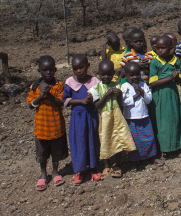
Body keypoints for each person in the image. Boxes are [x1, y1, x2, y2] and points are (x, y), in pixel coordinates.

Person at [27, 55, 68, 191]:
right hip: (41, 128)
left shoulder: (59, 85)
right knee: (42, 153)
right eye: (45, 70)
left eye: (51, 70)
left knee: (56, 152)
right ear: (39, 71)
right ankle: (43, 174)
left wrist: (49, 95)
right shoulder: (35, 86)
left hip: (56, 126)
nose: (48, 73)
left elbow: (60, 103)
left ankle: (55, 172)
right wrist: (40, 96)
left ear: (55, 69)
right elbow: (31, 104)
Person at [90, 60, 136, 178]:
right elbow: (96, 106)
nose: (106, 77)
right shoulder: (96, 89)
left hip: (117, 117)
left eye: (109, 74)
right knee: (105, 139)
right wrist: (106, 95)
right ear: (99, 74)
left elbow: (120, 102)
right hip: (104, 118)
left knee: (119, 138)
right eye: (103, 74)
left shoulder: (117, 85)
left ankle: (117, 164)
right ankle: (106, 164)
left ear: (113, 73)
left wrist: (119, 93)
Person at [63, 54, 101, 184]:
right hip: (77, 118)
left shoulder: (95, 81)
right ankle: (80, 170)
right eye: (75, 68)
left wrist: (93, 99)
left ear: (88, 66)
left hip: (91, 116)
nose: (78, 71)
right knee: (79, 142)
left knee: (92, 141)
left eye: (81, 67)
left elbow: (100, 97)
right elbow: (66, 100)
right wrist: (81, 101)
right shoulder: (70, 82)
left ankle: (94, 167)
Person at [149, 36, 181, 158]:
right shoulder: (155, 62)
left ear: (170, 48)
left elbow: (180, 80)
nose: (159, 50)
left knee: (174, 118)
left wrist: (177, 77)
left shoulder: (176, 61)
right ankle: (163, 148)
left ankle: (177, 145)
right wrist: (170, 78)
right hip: (160, 94)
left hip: (173, 93)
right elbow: (152, 83)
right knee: (162, 121)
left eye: (163, 48)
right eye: (157, 48)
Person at [121, 62, 159, 164]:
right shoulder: (124, 87)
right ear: (126, 75)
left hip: (144, 116)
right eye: (131, 75)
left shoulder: (143, 85)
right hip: (131, 118)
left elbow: (149, 100)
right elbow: (122, 102)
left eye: (137, 74)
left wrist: (142, 92)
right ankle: (135, 160)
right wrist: (135, 96)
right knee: (135, 140)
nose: (135, 77)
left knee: (149, 138)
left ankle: (152, 156)